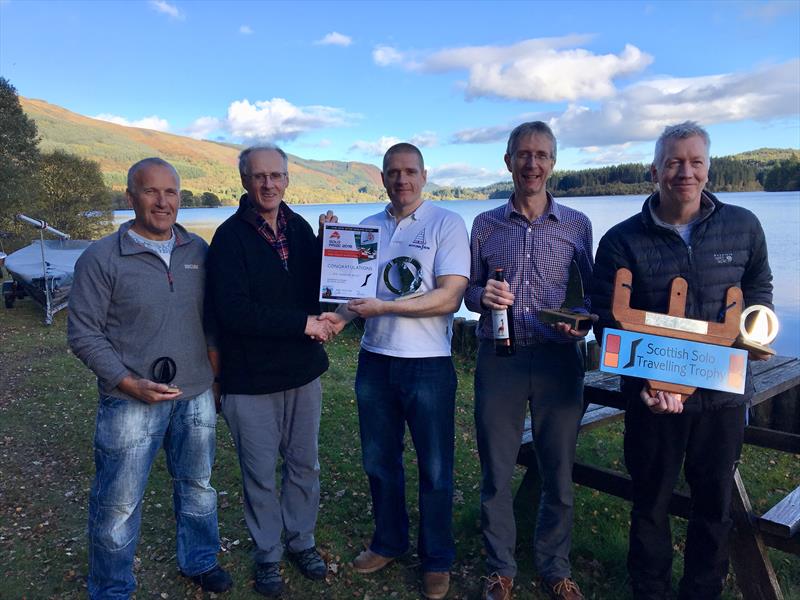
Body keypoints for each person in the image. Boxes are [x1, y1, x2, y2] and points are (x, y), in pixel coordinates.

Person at [592, 121, 773, 600]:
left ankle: (702, 590)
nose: (684, 172)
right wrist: (646, 384)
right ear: (655, 170)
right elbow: (604, 322)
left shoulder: (745, 226)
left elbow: (759, 292)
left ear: (708, 169)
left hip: (722, 397)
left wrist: (758, 329)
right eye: (674, 162)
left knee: (713, 504)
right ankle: (649, 591)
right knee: (649, 503)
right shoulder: (619, 239)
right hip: (652, 399)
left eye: (695, 162)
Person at [68, 157, 232, 599]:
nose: (163, 202)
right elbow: (83, 333)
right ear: (130, 197)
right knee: (118, 502)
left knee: (198, 486)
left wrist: (214, 378)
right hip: (130, 401)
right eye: (151, 191)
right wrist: (125, 381)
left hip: (195, 394)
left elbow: (212, 320)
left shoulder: (198, 250)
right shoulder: (100, 258)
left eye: (171, 192)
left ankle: (198, 560)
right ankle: (111, 586)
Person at [320, 142, 470, 600]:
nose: (401, 179)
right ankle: (388, 541)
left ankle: (436, 558)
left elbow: (451, 297)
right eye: (393, 172)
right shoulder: (366, 229)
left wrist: (384, 306)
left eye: (409, 171)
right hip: (375, 362)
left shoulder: (447, 223)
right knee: (379, 462)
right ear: (382, 178)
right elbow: (348, 293)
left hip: (428, 365)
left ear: (424, 176)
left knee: (436, 468)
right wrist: (329, 245)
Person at [465, 122, 593, 600]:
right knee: (496, 470)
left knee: (558, 469)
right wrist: (483, 295)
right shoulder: (486, 224)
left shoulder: (578, 225)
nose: (532, 164)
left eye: (541, 155)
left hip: (560, 359)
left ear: (553, 163)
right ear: (508, 162)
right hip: (501, 359)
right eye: (523, 154)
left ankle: (555, 566)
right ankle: (501, 568)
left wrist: (579, 322)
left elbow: (590, 296)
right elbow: (469, 292)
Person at [205, 145, 335, 597]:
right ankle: (268, 555)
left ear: (286, 180)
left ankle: (301, 541)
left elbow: (318, 290)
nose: (268, 184)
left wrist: (330, 245)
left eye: (276, 176)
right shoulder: (228, 238)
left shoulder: (299, 228)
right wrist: (302, 324)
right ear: (244, 181)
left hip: (302, 373)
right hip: (251, 379)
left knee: (303, 465)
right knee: (259, 473)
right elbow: (233, 311)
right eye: (259, 176)